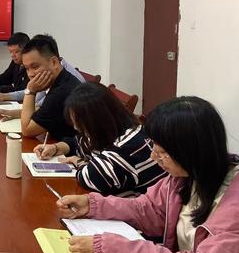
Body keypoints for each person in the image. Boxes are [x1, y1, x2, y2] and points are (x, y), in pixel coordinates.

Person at [56, 97, 239, 253]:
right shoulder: (184, 177)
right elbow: (148, 209)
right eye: (154, 147)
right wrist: (92, 205)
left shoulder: (234, 210)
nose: (153, 156)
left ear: (190, 151)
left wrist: (112, 251)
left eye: (162, 152)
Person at [35, 83, 165, 195]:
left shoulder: (126, 147)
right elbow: (78, 143)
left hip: (142, 213)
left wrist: (77, 160)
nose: (76, 128)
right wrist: (56, 148)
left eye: (79, 124)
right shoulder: (113, 128)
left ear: (96, 120)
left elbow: (90, 177)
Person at [13, 34, 81, 139]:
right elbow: (42, 111)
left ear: (54, 62)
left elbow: (27, 130)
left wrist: (30, 91)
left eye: (35, 66)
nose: (30, 74)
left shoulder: (62, 91)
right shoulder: (62, 79)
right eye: (27, 68)